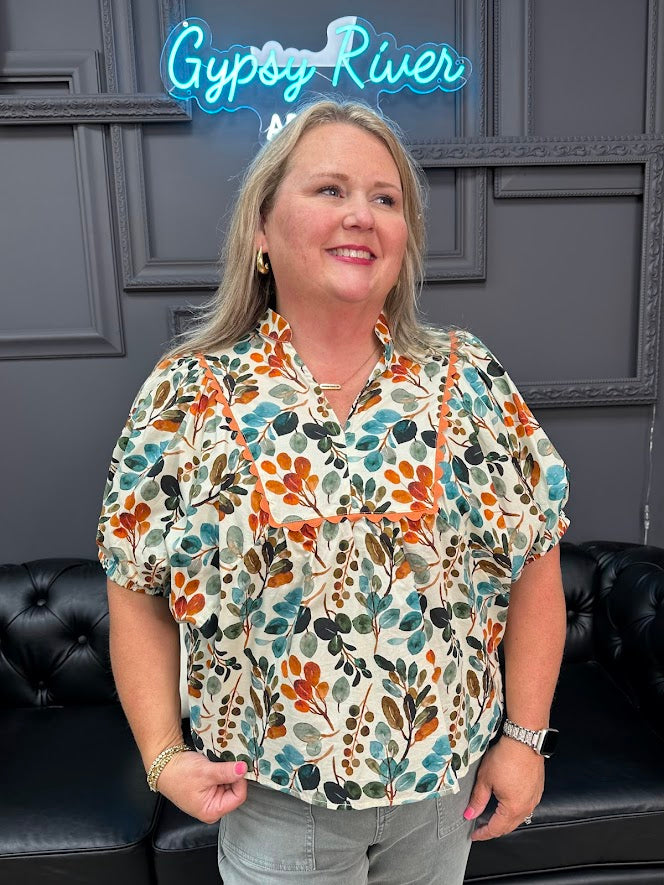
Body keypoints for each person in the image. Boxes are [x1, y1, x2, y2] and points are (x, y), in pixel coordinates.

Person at [97, 98, 569, 884]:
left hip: (441, 804)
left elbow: (536, 561)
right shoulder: (188, 393)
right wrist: (162, 754)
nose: (363, 215)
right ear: (261, 231)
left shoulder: (467, 376)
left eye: (386, 199)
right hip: (275, 805)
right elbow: (134, 587)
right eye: (330, 190)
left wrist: (524, 737)